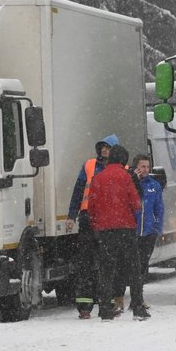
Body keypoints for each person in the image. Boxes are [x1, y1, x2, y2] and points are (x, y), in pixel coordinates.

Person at [88, 144, 144, 320]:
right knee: (134, 269)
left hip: (106, 231)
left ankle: (105, 307)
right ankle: (138, 306)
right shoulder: (126, 177)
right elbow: (136, 204)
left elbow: (92, 207)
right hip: (126, 228)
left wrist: (97, 226)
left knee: (106, 270)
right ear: (124, 160)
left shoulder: (98, 177)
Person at [66, 134, 118, 319]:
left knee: (106, 264)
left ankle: (106, 302)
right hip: (88, 220)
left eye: (108, 147)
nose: (104, 150)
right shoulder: (89, 166)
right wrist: (71, 215)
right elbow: (78, 191)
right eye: (102, 147)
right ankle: (85, 306)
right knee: (86, 264)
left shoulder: (119, 168)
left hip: (107, 222)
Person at [131, 153, 163, 315]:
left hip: (148, 232)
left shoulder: (154, 185)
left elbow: (159, 208)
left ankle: (138, 297)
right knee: (132, 266)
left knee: (143, 266)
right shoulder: (130, 182)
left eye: (147, 167)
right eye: (142, 166)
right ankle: (124, 297)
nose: (145, 170)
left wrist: (157, 228)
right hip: (132, 233)